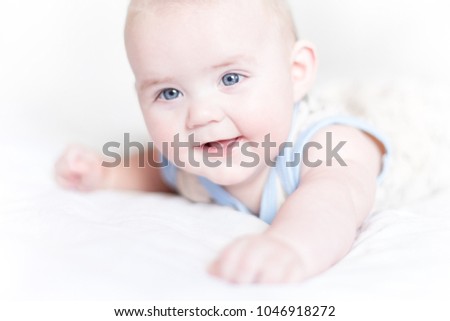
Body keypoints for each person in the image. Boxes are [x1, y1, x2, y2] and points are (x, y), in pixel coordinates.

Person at [55, 0, 389, 284]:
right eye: (169, 93)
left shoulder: (327, 145)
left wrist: (291, 245)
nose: (201, 115)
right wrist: (105, 173)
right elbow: (158, 171)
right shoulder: (194, 161)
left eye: (230, 78)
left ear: (295, 71)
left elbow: (333, 202)